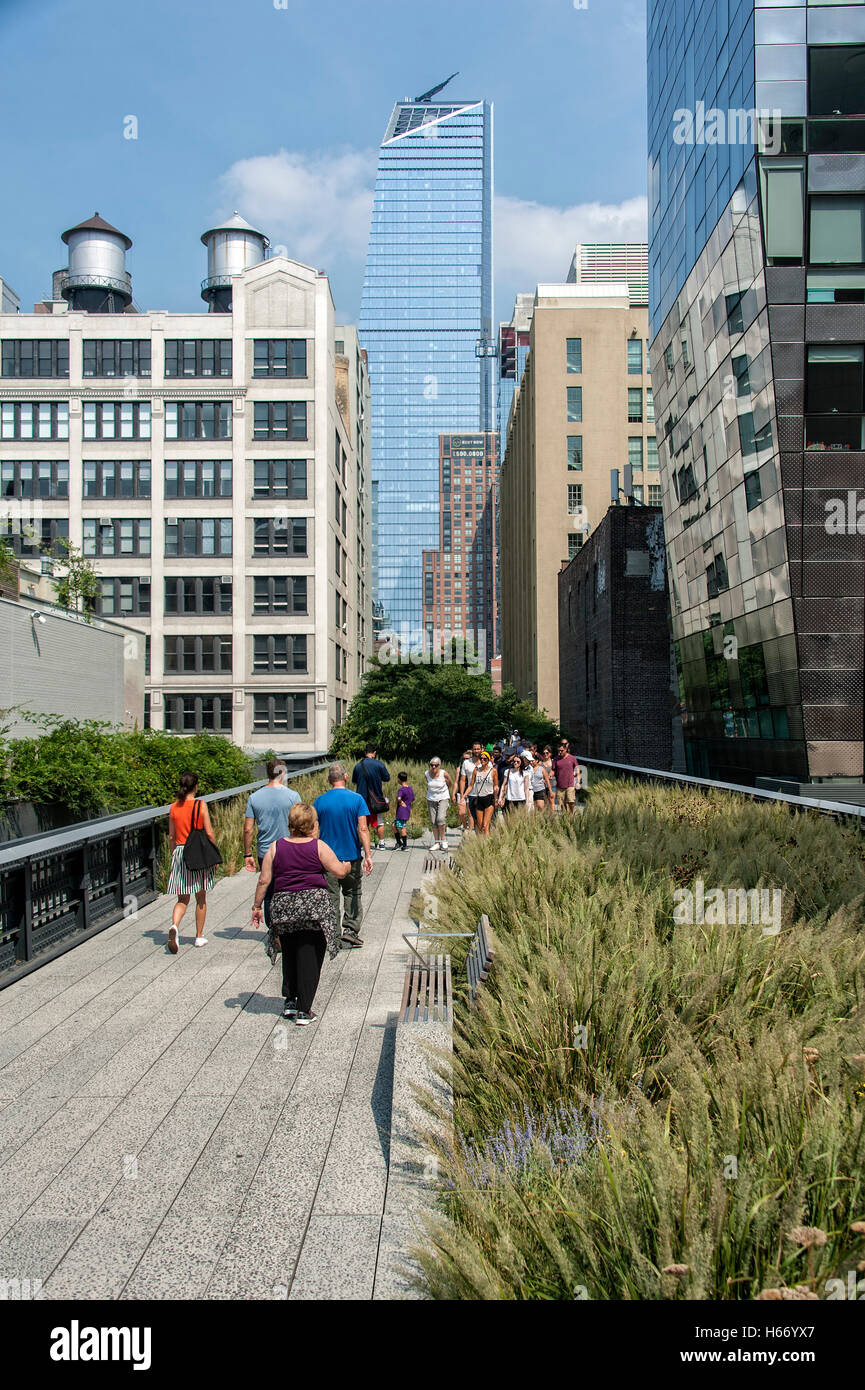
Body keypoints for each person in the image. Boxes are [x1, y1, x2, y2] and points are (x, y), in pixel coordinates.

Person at [252, 803, 350, 1025]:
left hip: (284, 907)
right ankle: (304, 1010)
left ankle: (290, 1001)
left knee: (289, 951)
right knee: (310, 956)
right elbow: (338, 871)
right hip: (313, 909)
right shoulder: (318, 846)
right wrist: (346, 866)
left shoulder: (276, 847)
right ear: (312, 825)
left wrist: (257, 907)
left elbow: (264, 880)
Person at [313, 763, 373, 948]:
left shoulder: (319, 802)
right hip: (351, 855)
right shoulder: (357, 799)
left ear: (328, 779)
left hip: (327, 859)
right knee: (352, 892)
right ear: (346, 777)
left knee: (330, 895)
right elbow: (363, 828)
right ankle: (351, 930)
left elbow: (314, 831)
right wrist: (368, 854)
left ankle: (332, 933)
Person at [243, 760, 301, 926]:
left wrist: (247, 854)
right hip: (289, 849)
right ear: (282, 773)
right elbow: (300, 822)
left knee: (268, 890)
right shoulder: (293, 796)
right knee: (289, 888)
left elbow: (248, 829)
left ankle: (272, 928)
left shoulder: (254, 797)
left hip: (265, 850)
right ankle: (288, 923)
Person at [166, 771, 219, 952]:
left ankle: (174, 926)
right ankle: (199, 936)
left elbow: (171, 836)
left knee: (182, 898)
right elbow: (209, 832)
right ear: (195, 787)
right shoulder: (200, 805)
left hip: (180, 852)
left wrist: (174, 854)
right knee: (200, 897)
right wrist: (214, 854)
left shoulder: (173, 807)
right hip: (198, 853)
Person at [352, 745, 390, 849]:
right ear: (374, 753)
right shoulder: (379, 764)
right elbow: (387, 778)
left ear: (365, 753)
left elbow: (354, 781)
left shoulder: (358, 766)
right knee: (379, 822)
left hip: (361, 799)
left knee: (363, 823)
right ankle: (381, 843)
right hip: (376, 798)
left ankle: (365, 844)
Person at [465, 748, 498, 836]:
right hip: (479, 798)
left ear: (488, 760)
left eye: (485, 759)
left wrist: (496, 799)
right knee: (479, 826)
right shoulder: (476, 770)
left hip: (489, 798)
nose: (482, 760)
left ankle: (487, 843)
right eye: (481, 758)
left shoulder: (493, 771)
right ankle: (481, 842)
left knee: (485, 825)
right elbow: (471, 785)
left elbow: (495, 785)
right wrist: (464, 795)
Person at [425, 757, 453, 851]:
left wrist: (444, 791)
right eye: (432, 765)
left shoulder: (443, 773)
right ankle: (437, 842)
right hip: (431, 798)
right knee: (433, 821)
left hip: (443, 797)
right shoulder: (427, 774)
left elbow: (450, 783)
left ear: (439, 765)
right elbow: (428, 784)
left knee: (440, 819)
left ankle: (443, 840)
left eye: (436, 765)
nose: (433, 767)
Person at [553, 738, 581, 814]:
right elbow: (553, 770)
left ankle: (571, 814)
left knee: (571, 801)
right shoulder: (556, 759)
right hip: (560, 785)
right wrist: (550, 775)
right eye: (559, 751)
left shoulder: (572, 758)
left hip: (570, 784)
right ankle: (565, 815)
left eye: (562, 751)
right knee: (562, 803)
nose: (560, 752)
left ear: (566, 749)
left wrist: (578, 782)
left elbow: (577, 770)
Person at [393, 772, 415, 851]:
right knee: (394, 825)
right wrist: (407, 803)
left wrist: (401, 802)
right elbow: (412, 799)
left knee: (402, 828)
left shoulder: (401, 789)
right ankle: (399, 842)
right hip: (407, 810)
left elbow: (399, 798)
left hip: (401, 811)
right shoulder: (410, 789)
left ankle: (404, 845)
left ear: (399, 779)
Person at [454, 748, 473, 834]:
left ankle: (470, 830)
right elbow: (456, 782)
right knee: (461, 812)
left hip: (470, 792)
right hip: (460, 792)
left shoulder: (473, 768)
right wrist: (453, 793)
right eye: (464, 759)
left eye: (467, 759)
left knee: (470, 812)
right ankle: (465, 825)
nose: (465, 760)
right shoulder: (459, 769)